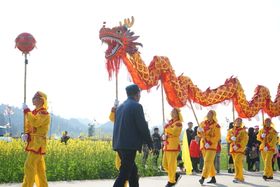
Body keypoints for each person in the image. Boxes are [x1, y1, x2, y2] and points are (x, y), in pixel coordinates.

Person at [113, 84, 153, 187]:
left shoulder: (120, 107)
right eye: (140, 93)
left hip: (119, 144)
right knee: (124, 174)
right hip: (129, 145)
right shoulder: (136, 106)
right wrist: (150, 142)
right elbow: (142, 126)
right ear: (137, 94)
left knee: (133, 172)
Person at [21, 91, 51, 187]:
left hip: (38, 144)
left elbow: (35, 123)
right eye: (33, 97)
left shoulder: (44, 113)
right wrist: (26, 134)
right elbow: (30, 126)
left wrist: (27, 111)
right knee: (39, 169)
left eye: (36, 98)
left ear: (42, 100)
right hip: (33, 142)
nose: (33, 99)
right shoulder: (34, 112)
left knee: (29, 165)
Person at [197, 110, 221, 185]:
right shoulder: (202, 123)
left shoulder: (216, 125)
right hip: (203, 145)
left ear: (213, 115)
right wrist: (199, 131)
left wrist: (210, 142)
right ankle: (213, 178)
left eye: (210, 114)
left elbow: (217, 136)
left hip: (212, 146)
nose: (208, 115)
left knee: (207, 161)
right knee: (209, 162)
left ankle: (203, 177)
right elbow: (199, 135)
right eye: (207, 113)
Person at [162, 108, 183, 187]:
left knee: (171, 165)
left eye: (174, 112)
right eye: (172, 111)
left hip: (173, 146)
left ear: (177, 114)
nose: (172, 113)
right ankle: (175, 175)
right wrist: (165, 136)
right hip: (167, 146)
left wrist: (167, 126)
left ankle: (171, 181)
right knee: (164, 165)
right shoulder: (170, 122)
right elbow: (169, 132)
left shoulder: (178, 123)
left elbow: (174, 132)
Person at [226, 117, 248, 183]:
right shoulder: (231, 130)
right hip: (233, 148)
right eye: (237, 121)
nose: (238, 122)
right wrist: (231, 138)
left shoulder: (243, 131)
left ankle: (237, 177)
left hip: (240, 149)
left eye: (240, 121)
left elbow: (245, 140)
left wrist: (238, 145)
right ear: (234, 122)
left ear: (241, 123)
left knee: (237, 162)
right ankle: (241, 177)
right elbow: (228, 138)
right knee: (237, 163)